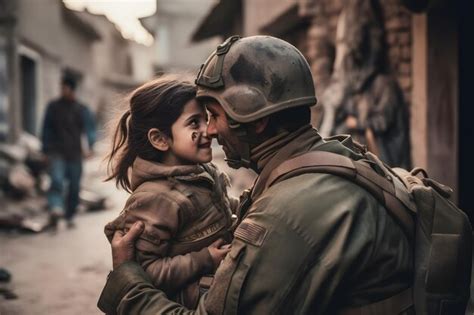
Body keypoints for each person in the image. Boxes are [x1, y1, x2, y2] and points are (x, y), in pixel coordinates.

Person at [98, 36, 413, 314]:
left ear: (256, 121)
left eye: (215, 116)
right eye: (198, 121)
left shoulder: (287, 210)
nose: (209, 130)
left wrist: (127, 279)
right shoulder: (332, 156)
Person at [103, 75, 238, 309]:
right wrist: (204, 259)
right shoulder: (156, 199)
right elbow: (144, 273)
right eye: (194, 123)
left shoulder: (198, 171)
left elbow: (219, 206)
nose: (209, 130)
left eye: (206, 119)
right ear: (160, 139)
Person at [41, 76, 96, 229]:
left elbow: (90, 129)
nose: (63, 91)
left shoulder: (81, 109)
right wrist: (45, 150)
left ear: (72, 89)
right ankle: (55, 209)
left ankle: (70, 215)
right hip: (56, 152)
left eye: (65, 88)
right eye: (62, 88)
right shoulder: (53, 107)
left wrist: (90, 146)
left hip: (75, 154)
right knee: (56, 181)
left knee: (74, 187)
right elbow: (46, 129)